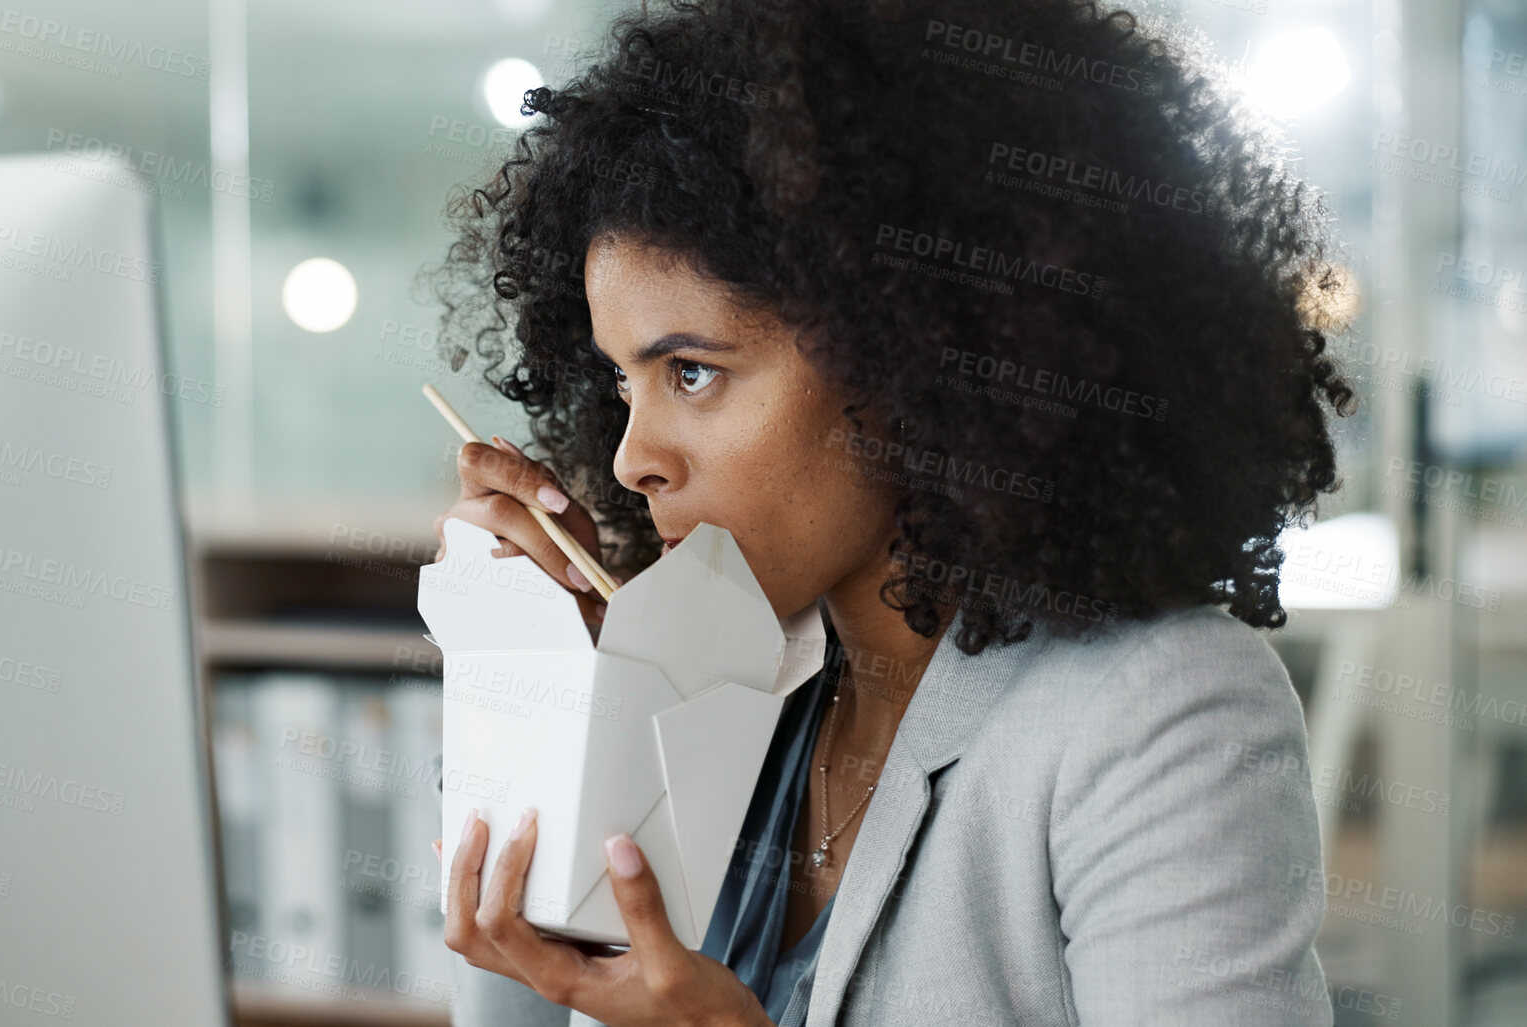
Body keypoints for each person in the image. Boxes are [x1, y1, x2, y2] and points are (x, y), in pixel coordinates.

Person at [423, 0, 1357, 1023]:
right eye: (620, 385)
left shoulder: (1159, 716)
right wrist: (536, 697)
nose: (632, 457)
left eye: (691, 371)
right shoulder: (724, 678)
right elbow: (543, 990)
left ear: (912, 351)